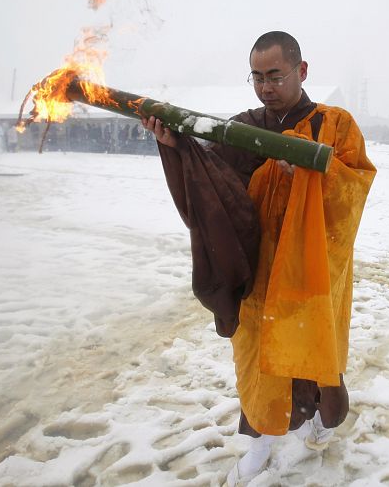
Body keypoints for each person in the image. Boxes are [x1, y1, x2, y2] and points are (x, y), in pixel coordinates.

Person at [142, 31, 376, 486]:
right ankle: (261, 442)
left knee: (308, 354)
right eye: (257, 77)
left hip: (309, 273)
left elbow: (355, 187)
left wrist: (312, 174)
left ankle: (316, 423)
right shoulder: (243, 128)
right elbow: (211, 180)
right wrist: (177, 146)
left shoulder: (334, 124)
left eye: (275, 75)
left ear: (301, 71)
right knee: (258, 363)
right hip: (257, 272)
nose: (266, 87)